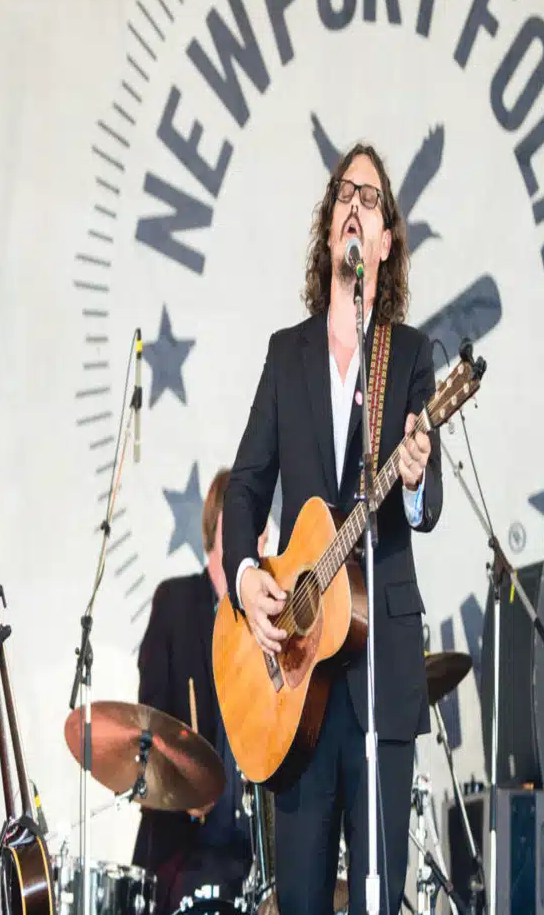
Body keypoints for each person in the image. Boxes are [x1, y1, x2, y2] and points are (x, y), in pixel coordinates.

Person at [222, 143, 443, 915]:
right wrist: (248, 581)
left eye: (371, 198)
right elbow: (246, 487)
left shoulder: (409, 356)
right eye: (345, 194)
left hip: (380, 668)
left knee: (380, 899)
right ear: (330, 231)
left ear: (385, 242)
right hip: (294, 675)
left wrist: (414, 478)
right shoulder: (286, 356)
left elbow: (426, 506)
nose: (355, 205)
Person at [133, 467, 266, 914]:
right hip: (185, 847)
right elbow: (149, 721)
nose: (261, 532)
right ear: (223, 523)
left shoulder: (267, 618)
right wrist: (183, 788)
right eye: (251, 518)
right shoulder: (175, 602)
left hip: (251, 850)